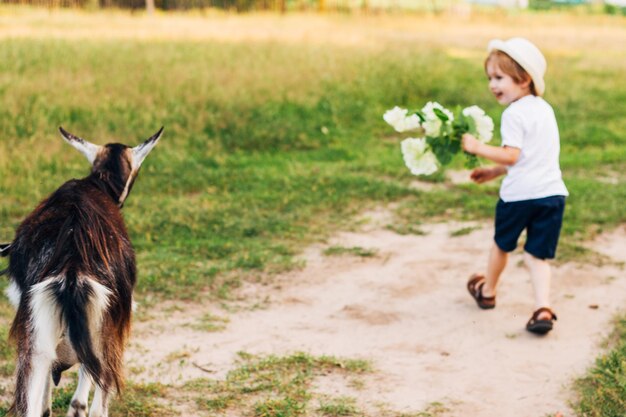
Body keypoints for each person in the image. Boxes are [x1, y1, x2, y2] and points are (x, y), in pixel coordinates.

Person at [461, 37, 568, 335]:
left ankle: (488, 290)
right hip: (551, 194)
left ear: (523, 79)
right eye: (490, 78)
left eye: (499, 77)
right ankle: (542, 307)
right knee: (537, 255)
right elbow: (531, 156)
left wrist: (478, 147)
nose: (492, 85)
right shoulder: (544, 110)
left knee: (502, 245)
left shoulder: (513, 113)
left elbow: (514, 154)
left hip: (519, 197)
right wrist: (495, 171)